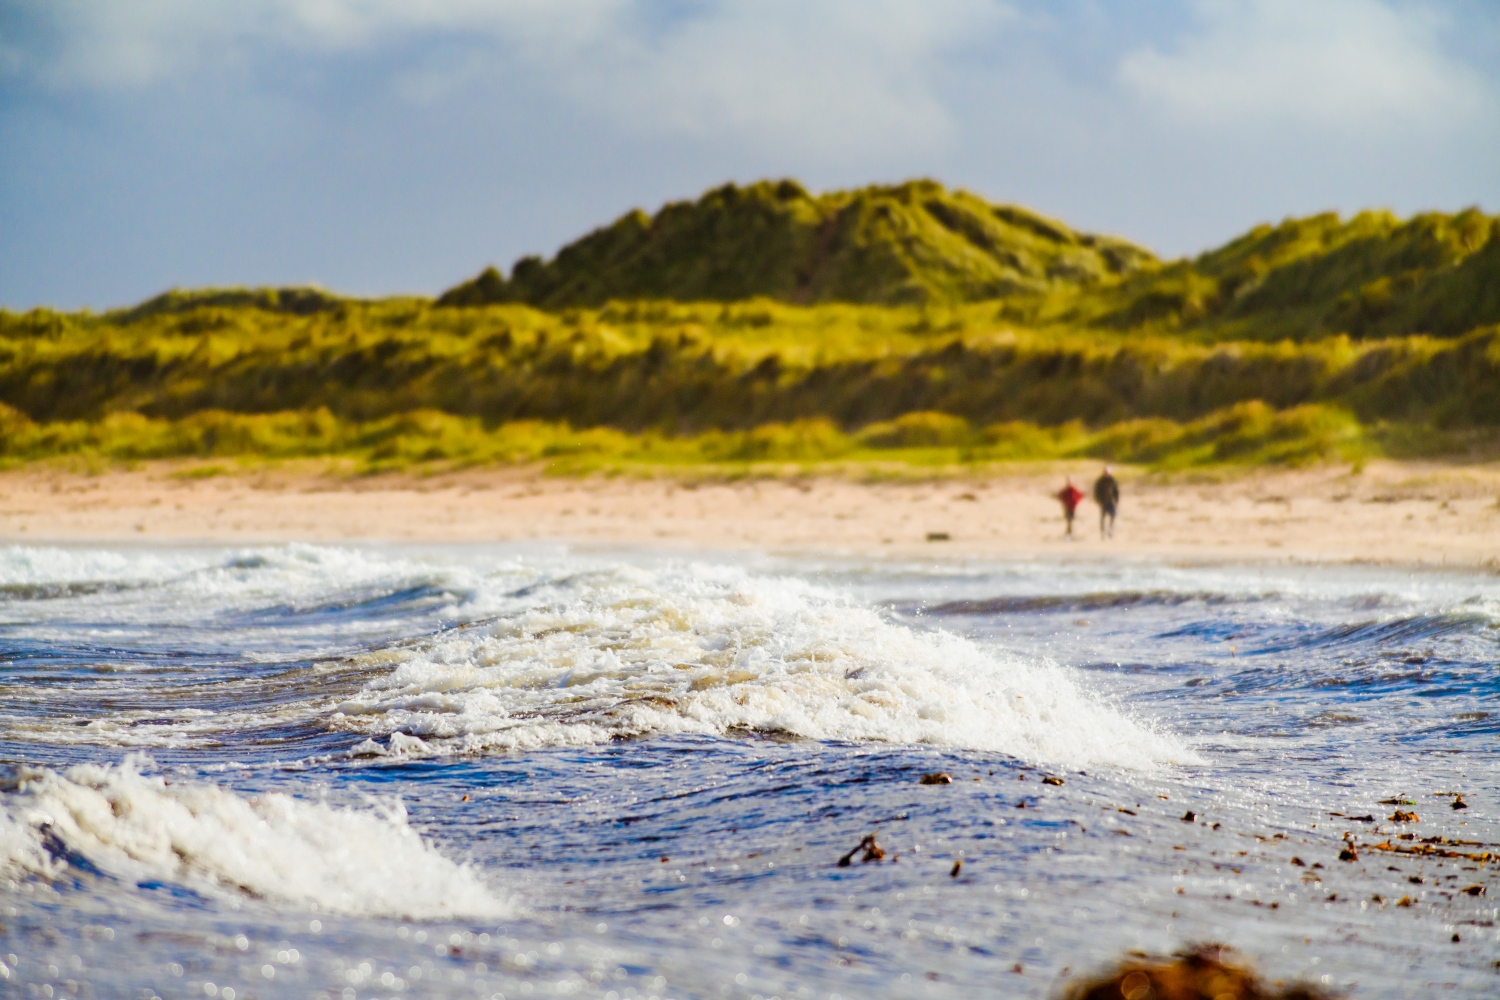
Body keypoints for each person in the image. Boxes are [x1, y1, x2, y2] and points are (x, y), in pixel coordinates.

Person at [1093, 465, 1120, 539]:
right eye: (1106, 472)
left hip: (1111, 501)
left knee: (1113, 515)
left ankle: (1110, 529)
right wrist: (1098, 499)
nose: (1107, 473)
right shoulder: (1100, 481)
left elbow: (1116, 491)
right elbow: (1096, 491)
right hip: (1103, 502)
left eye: (1108, 472)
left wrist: (1117, 500)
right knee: (1103, 517)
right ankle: (1103, 532)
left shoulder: (1113, 480)